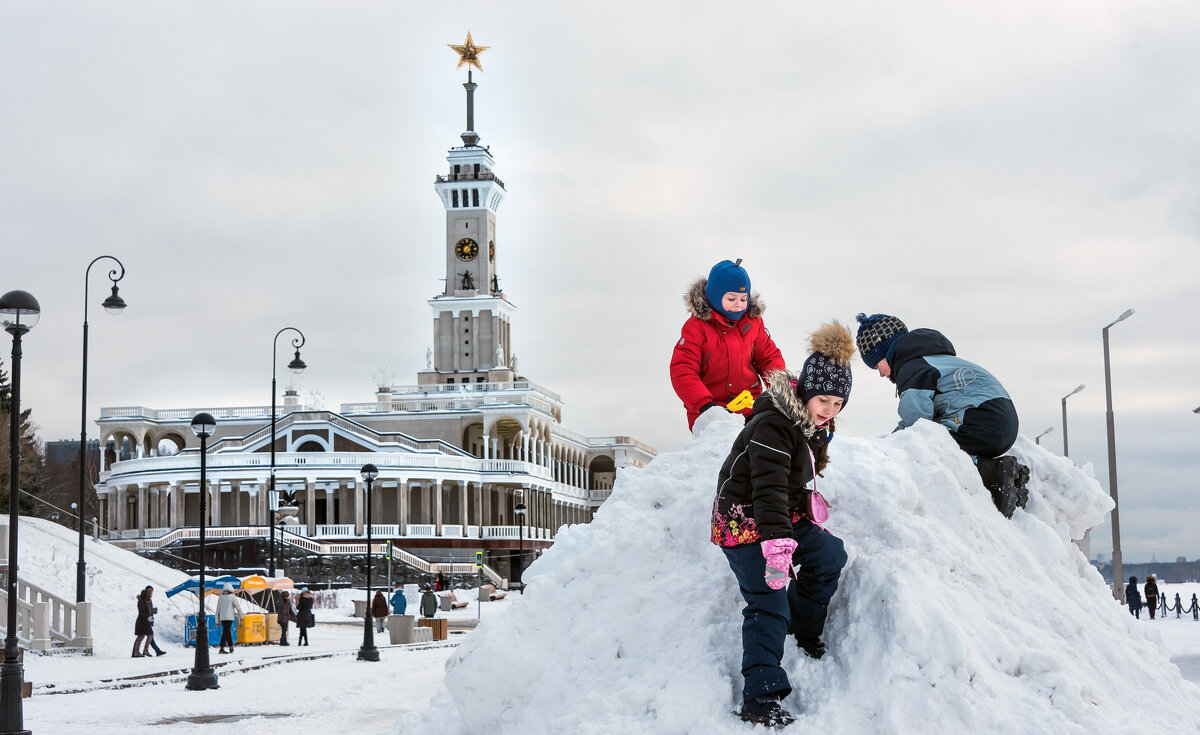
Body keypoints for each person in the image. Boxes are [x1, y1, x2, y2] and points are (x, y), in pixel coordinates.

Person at [710, 322, 853, 727]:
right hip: (743, 517)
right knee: (768, 597)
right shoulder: (774, 424)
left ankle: (802, 628)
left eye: (838, 403)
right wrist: (777, 545)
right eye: (823, 400)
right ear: (805, 392)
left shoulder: (814, 424)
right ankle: (760, 697)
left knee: (829, 554)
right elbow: (767, 486)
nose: (829, 410)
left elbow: (790, 482)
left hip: (778, 513)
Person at [854, 313, 1031, 518]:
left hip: (979, 419)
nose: (881, 374)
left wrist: (891, 447)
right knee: (937, 442)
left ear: (887, 352)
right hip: (999, 421)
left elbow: (918, 424)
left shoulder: (911, 369)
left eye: (877, 365)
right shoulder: (933, 359)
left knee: (931, 448)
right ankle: (1004, 474)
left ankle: (995, 476)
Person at [671, 259, 785, 431]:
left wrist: (779, 389)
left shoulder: (753, 323)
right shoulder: (696, 328)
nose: (738, 304)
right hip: (710, 410)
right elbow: (683, 369)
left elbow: (769, 357)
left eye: (743, 298)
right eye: (731, 298)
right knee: (723, 450)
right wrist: (704, 405)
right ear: (715, 296)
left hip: (749, 407)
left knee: (763, 441)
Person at [216, 583, 244, 654]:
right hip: (229, 617)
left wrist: (217, 620)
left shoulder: (221, 597)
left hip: (222, 618)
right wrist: (241, 616)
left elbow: (217, 610)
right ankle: (221, 648)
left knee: (227, 631)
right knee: (226, 632)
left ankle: (231, 646)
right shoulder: (232, 597)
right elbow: (238, 607)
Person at [141, 586, 167, 656]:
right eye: (150, 590)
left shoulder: (149, 599)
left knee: (146, 636)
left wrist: (153, 610)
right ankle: (154, 650)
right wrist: (153, 611)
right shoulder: (146, 599)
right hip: (146, 621)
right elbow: (147, 611)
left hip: (148, 620)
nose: (151, 592)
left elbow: (149, 610)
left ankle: (156, 650)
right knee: (147, 636)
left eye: (152, 591)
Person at [133, 587, 157, 657]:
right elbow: (142, 613)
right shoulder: (141, 601)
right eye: (149, 593)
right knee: (142, 636)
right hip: (142, 622)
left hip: (146, 622)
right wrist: (148, 617)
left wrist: (153, 611)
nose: (151, 594)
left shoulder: (148, 601)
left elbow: (149, 610)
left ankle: (141, 651)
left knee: (144, 636)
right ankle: (140, 651)